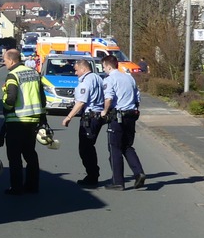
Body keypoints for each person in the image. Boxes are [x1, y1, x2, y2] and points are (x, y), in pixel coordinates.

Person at [0, 48, 46, 195]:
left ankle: (16, 187)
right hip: (33, 120)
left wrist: (5, 106)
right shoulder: (34, 73)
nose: (4, 63)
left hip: (16, 120)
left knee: (14, 156)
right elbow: (42, 97)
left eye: (5, 61)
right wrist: (43, 118)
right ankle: (32, 186)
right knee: (30, 154)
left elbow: (11, 98)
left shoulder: (13, 75)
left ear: (11, 60)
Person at [101, 55, 146, 190]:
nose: (104, 70)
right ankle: (139, 173)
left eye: (104, 67)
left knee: (114, 148)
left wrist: (104, 111)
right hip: (131, 115)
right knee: (127, 146)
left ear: (109, 66)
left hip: (118, 116)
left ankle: (118, 182)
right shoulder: (128, 77)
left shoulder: (110, 80)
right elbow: (137, 96)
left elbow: (108, 98)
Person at [61, 58, 105, 186]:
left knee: (85, 148)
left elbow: (81, 102)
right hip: (97, 116)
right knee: (89, 146)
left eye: (76, 70)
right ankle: (93, 174)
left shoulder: (86, 81)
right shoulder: (97, 78)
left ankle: (92, 176)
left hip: (89, 117)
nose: (75, 73)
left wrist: (68, 117)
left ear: (83, 68)